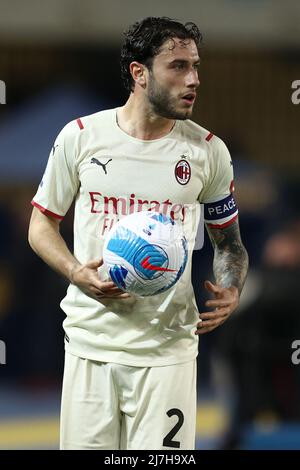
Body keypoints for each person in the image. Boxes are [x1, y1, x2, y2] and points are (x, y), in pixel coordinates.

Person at [28, 16, 248, 450]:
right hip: (91, 344)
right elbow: (41, 226)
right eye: (179, 67)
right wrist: (76, 272)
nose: (194, 80)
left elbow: (230, 244)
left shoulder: (208, 151)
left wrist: (231, 285)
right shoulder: (80, 138)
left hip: (168, 351)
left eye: (196, 67)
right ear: (139, 73)